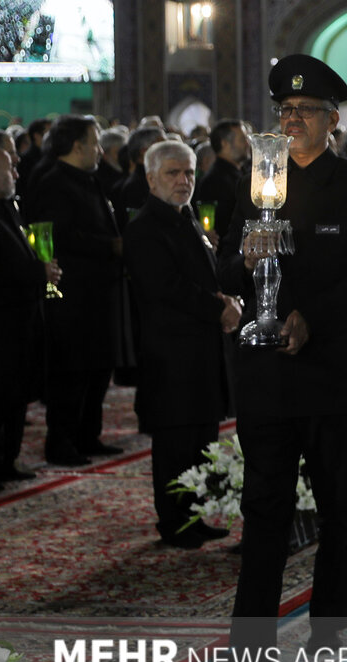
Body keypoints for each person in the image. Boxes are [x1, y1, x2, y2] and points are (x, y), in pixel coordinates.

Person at [218, 54, 347, 653]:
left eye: (305, 111)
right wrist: (244, 263)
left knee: (338, 508)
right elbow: (224, 268)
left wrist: (310, 319)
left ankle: (328, 630)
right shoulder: (253, 185)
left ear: (332, 121)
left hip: (332, 375)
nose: (292, 119)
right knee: (264, 504)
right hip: (266, 375)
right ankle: (251, 634)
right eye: (284, 110)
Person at [124, 140, 241, 548]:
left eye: (189, 172)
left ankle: (194, 515)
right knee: (176, 443)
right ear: (151, 177)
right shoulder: (144, 228)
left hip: (200, 351)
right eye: (173, 173)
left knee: (200, 441)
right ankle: (174, 522)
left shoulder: (186, 217)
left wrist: (228, 299)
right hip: (171, 355)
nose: (183, 180)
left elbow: (204, 277)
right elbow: (167, 289)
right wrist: (218, 309)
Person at [26, 114, 125, 466]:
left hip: (97, 293)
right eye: (94, 142)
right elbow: (60, 236)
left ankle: (88, 435)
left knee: (98, 366)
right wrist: (108, 247)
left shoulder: (87, 179)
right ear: (77, 145)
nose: (99, 150)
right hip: (71, 293)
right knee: (72, 370)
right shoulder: (53, 181)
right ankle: (62, 442)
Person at [0, 147, 57, 489]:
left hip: (21, 322)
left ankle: (7, 461)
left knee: (15, 397)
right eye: (10, 169)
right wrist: (36, 271)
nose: (17, 174)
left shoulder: (7, 208)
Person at [194, 119, 249, 239]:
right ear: (225, 144)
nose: (247, 144)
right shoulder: (214, 181)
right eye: (242, 139)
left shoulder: (238, 173)